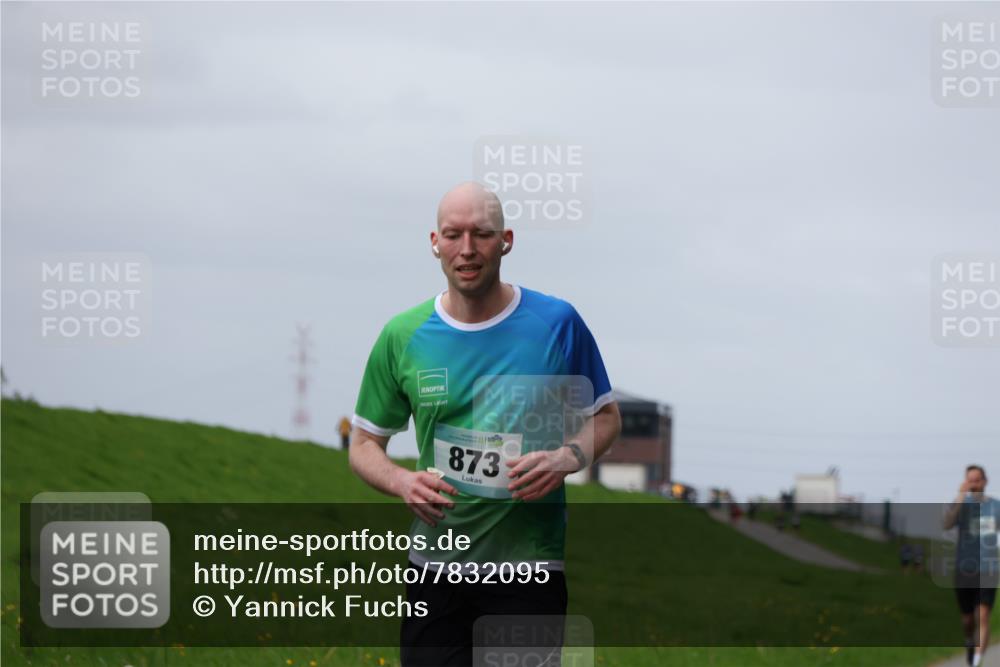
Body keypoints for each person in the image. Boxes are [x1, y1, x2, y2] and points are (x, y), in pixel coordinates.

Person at [348, 182, 622, 666]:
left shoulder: (556, 323)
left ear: (507, 240)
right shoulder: (403, 336)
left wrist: (565, 458)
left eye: (482, 234)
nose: (467, 249)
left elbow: (606, 417)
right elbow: (365, 441)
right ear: (434, 242)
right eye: (453, 235)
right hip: (435, 568)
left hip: (528, 567)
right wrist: (401, 481)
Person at [943, 465, 1000, 667]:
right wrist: (960, 495)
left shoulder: (995, 506)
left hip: (988, 569)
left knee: (982, 616)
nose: (974, 484)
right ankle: (969, 640)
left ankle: (977, 662)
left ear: (985, 481)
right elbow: (947, 523)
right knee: (968, 620)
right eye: (970, 481)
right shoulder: (961, 504)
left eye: (977, 480)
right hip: (964, 569)